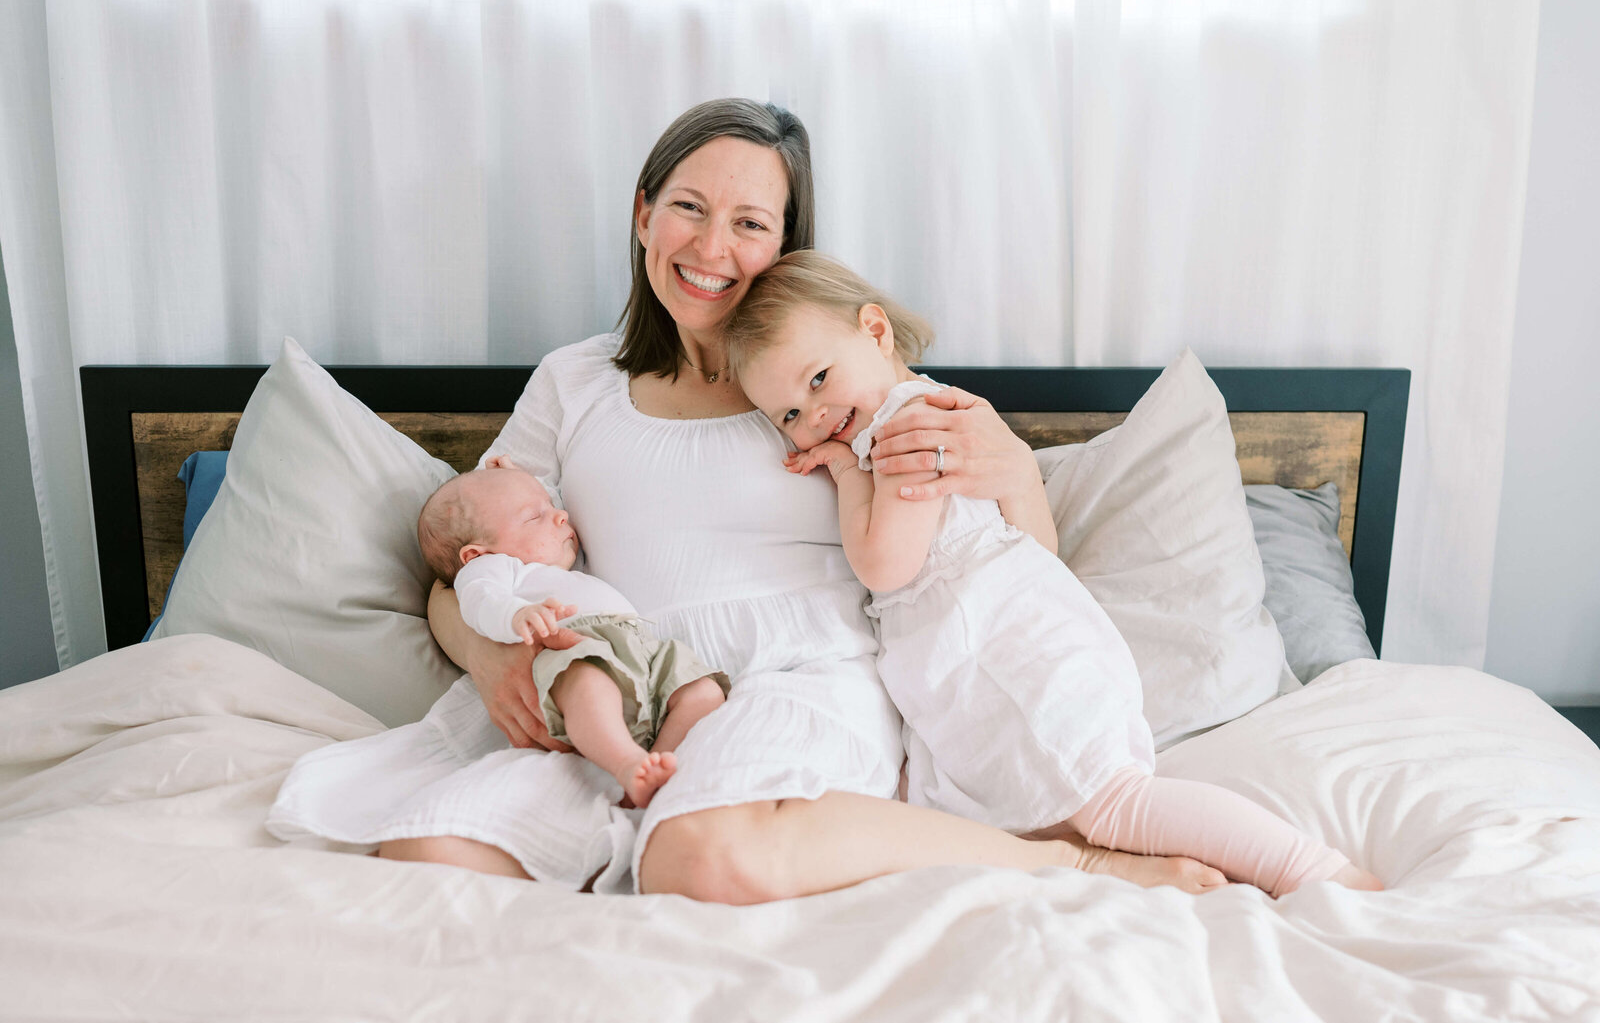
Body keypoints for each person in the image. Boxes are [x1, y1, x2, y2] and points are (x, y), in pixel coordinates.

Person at [269, 97, 1226, 899]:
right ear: (643, 214)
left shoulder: (827, 380)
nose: (711, 247)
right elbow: (471, 552)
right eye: (687, 207)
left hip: (805, 674)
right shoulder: (574, 381)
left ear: (785, 246)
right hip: (633, 685)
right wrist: (485, 652)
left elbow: (1013, 571)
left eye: (751, 223)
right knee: (431, 852)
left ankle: (1061, 861)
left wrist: (1016, 469)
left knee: (699, 855)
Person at [723, 250, 1383, 896]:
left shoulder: (907, 428)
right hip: (1008, 656)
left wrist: (842, 472)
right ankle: (1166, 871)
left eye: (817, 381)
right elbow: (1032, 543)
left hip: (1018, 662)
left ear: (874, 330)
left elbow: (885, 564)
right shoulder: (927, 415)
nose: (813, 418)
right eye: (788, 416)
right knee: (1057, 815)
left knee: (1120, 803)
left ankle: (1312, 869)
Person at [416, 458, 729, 808]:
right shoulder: (494, 568)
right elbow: (478, 601)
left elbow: (538, 512)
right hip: (575, 647)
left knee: (703, 690)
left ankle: (655, 768)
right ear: (475, 554)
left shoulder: (547, 557)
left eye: (552, 506)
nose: (560, 516)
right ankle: (627, 764)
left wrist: (525, 483)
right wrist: (515, 614)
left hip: (642, 648)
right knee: (587, 685)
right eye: (535, 515)